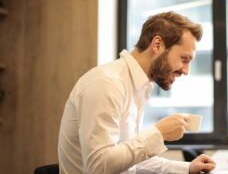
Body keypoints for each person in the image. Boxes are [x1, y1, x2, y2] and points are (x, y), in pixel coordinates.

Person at [58, 11, 216, 174]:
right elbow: (99, 167)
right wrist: (158, 133)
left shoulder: (138, 86)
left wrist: (188, 167)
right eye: (184, 59)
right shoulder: (107, 84)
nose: (186, 70)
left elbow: (129, 161)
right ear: (157, 45)